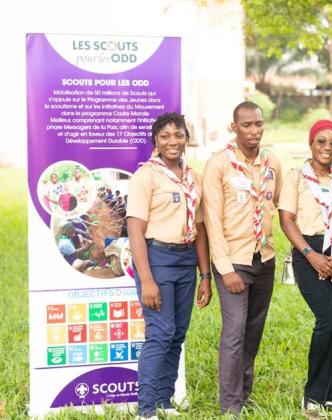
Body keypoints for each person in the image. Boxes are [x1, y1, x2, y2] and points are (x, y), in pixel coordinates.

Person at [127, 112, 212, 419]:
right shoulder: (146, 176)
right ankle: (146, 410)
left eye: (178, 135)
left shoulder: (194, 177)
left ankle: (163, 403)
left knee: (177, 334)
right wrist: (147, 279)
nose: (172, 141)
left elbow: (199, 228)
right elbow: (135, 230)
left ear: (187, 139)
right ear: (156, 141)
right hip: (158, 259)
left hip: (186, 259)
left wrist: (205, 275)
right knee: (160, 333)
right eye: (165, 136)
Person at [279, 120, 332, 417]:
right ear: (311, 144)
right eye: (321, 141)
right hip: (309, 252)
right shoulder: (295, 178)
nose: (327, 147)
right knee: (327, 319)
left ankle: (330, 395)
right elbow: (286, 220)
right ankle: (312, 397)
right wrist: (310, 254)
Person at [203, 101, 282, 415]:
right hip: (233, 261)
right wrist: (225, 269)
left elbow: (278, 202)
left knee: (253, 330)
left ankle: (244, 392)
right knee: (234, 331)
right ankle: (230, 404)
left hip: (264, 257)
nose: (254, 131)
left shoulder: (272, 162)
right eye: (247, 125)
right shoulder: (219, 164)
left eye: (258, 124)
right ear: (234, 127)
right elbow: (212, 219)